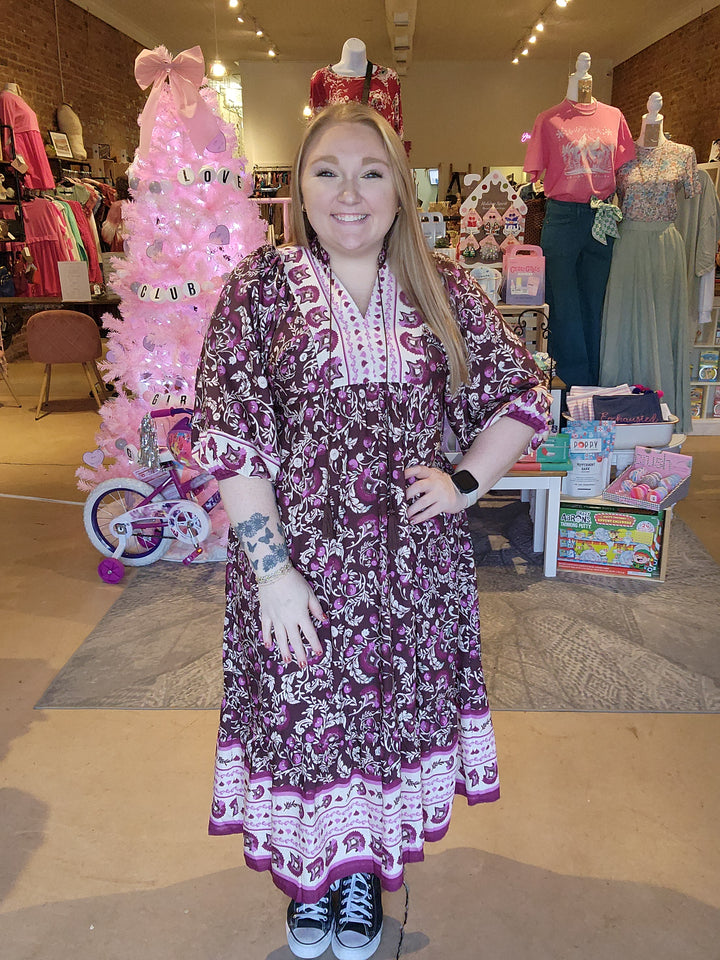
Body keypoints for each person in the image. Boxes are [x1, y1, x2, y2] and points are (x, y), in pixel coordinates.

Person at [192, 102, 550, 960]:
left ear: (399, 191)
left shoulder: (444, 287)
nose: (349, 192)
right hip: (298, 563)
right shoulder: (261, 288)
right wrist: (273, 572)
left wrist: (465, 480)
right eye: (327, 172)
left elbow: (522, 395)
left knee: (386, 722)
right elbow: (231, 435)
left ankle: (357, 881)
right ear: (301, 193)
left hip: (409, 572)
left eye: (371, 172)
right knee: (305, 716)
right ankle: (311, 876)